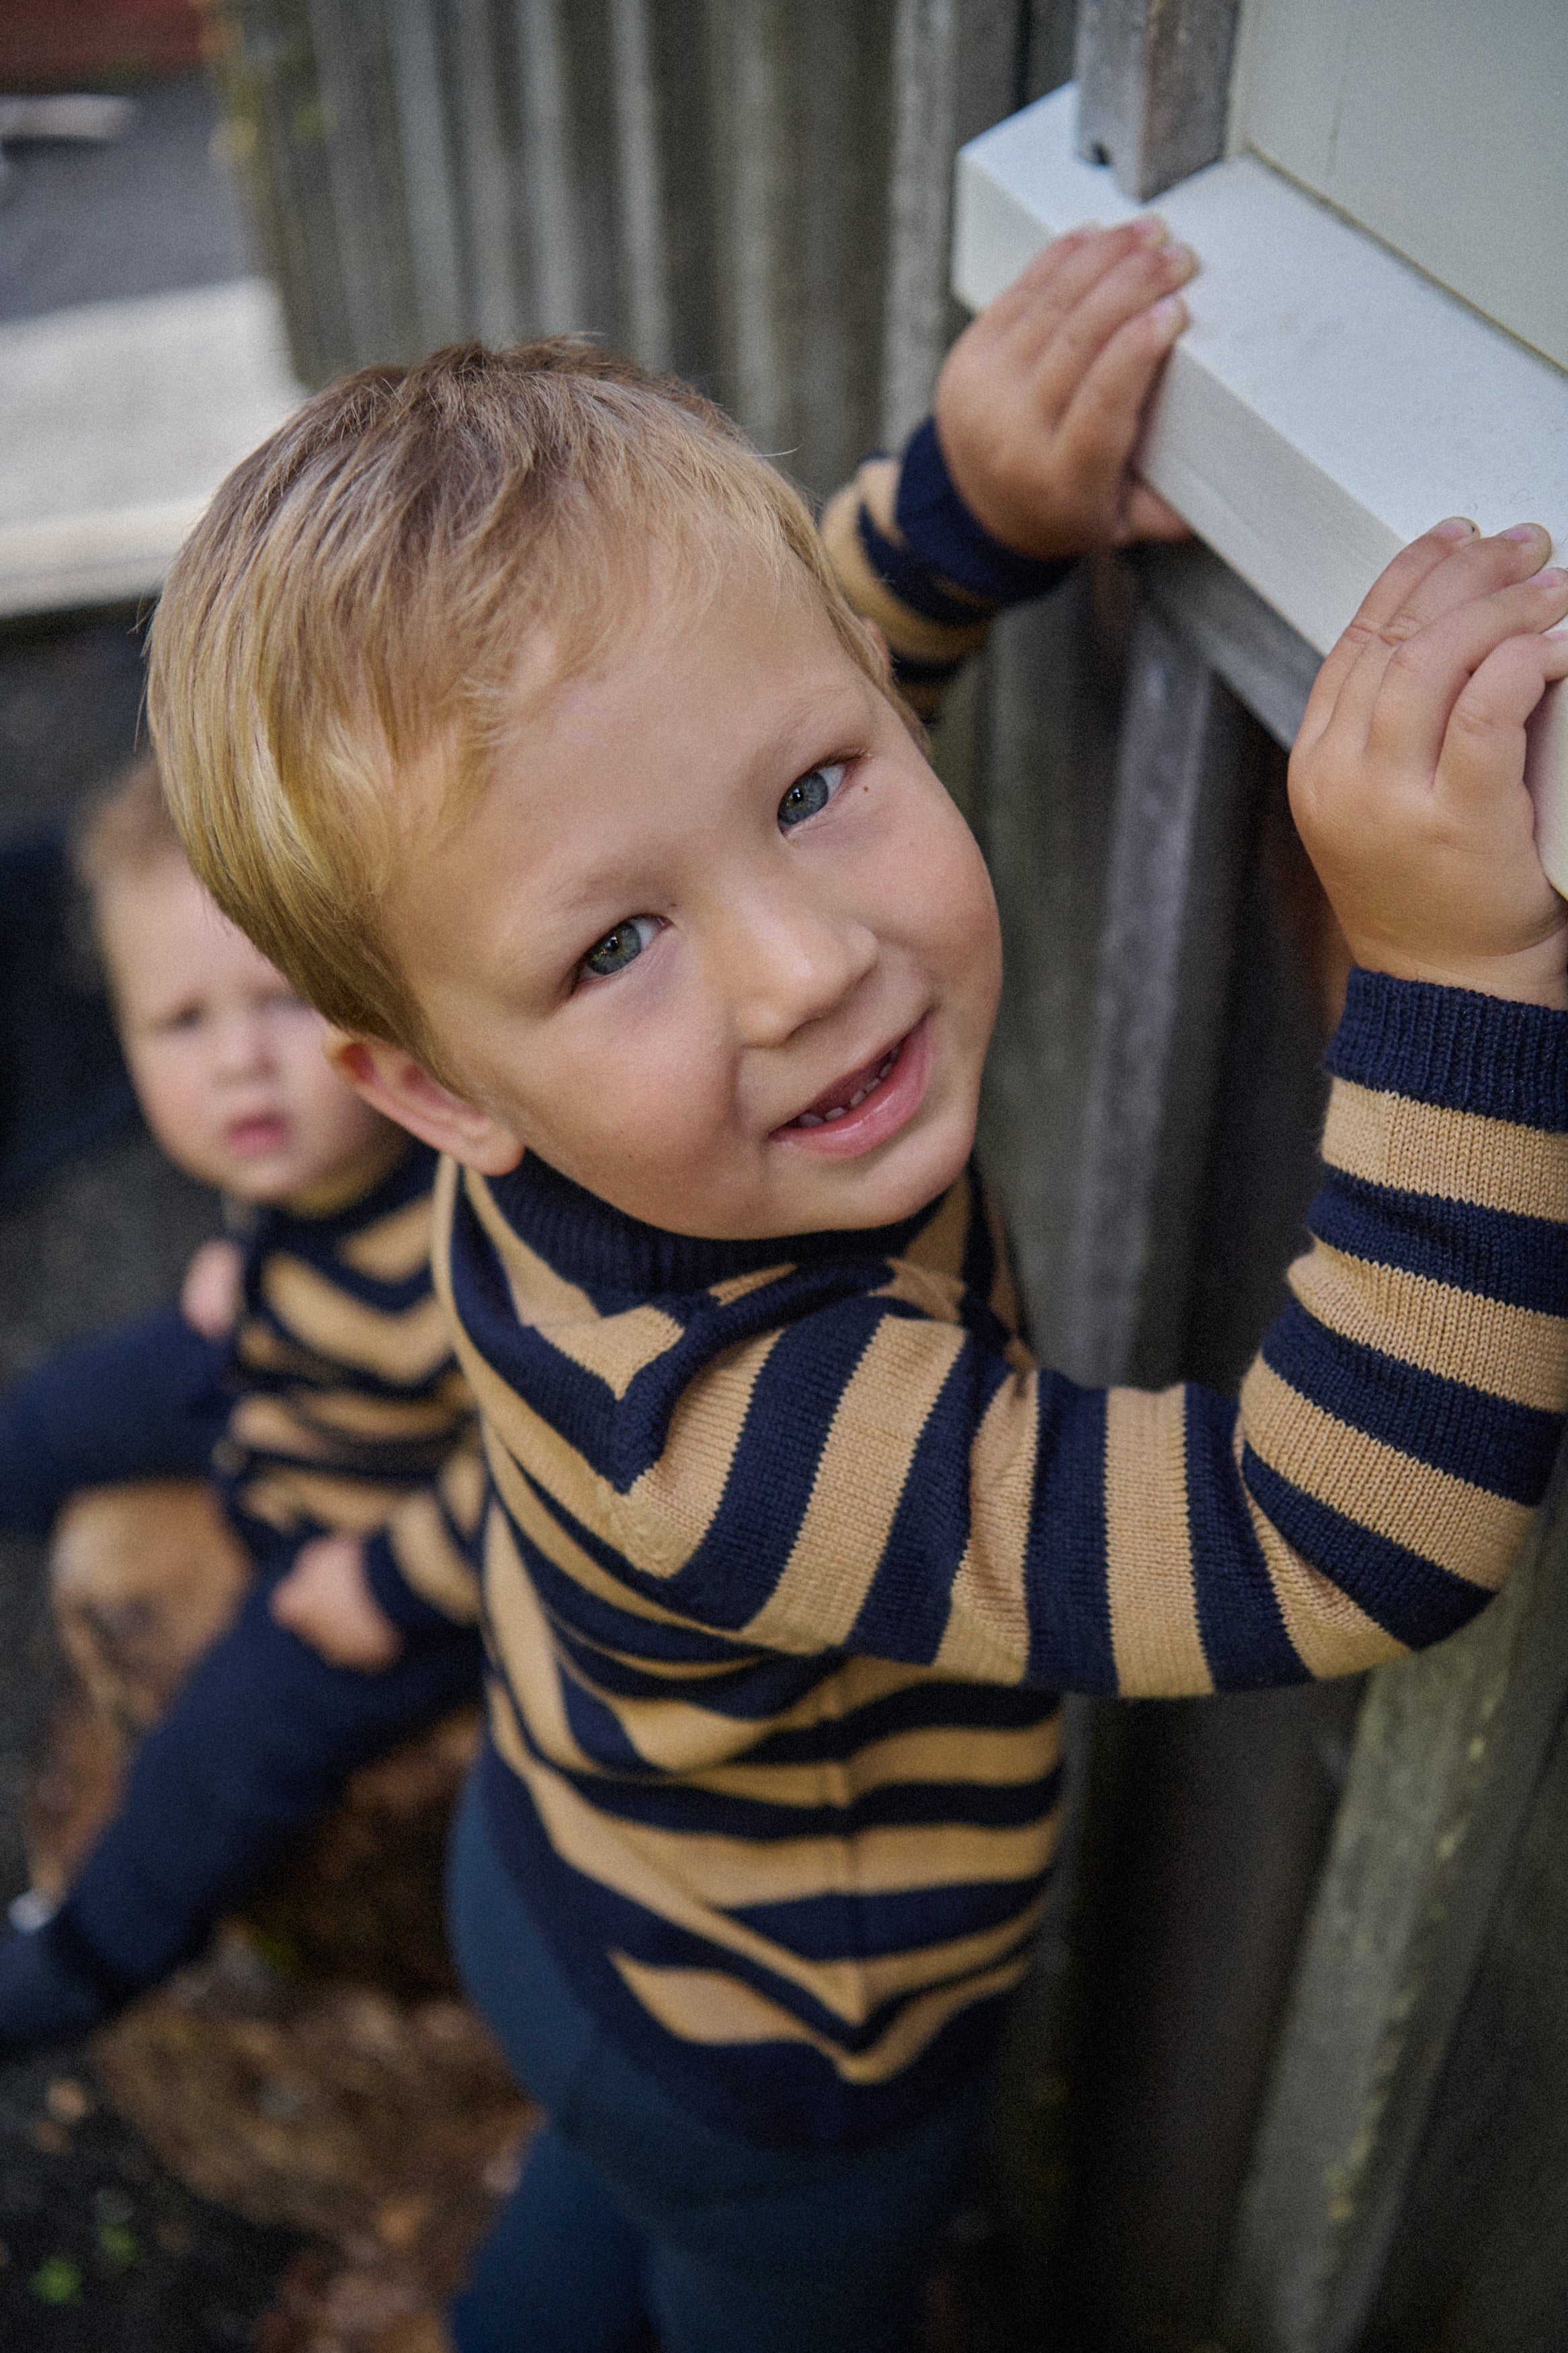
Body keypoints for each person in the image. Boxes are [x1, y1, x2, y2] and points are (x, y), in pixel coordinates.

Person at [145, 221, 1568, 2353]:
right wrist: (1449, 968)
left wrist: (961, 508)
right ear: (429, 1086)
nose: (804, 965)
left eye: (813, 793)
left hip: (566, 1887)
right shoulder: (733, 1424)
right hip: (778, 2070)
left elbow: (756, 671)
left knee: (572, 2266)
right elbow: (1334, 1533)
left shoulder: (536, 1088)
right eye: (616, 944)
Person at [0, 754, 485, 2050]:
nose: (238, 1069)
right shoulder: (306, 1152)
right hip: (280, 1363)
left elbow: (559, 1467)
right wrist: (250, 1254)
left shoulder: (471, 1232)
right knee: (59, 1413)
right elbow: (288, 1203)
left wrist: (387, 1583)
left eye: (281, 1002)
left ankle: (87, 1956)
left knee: (228, 1742)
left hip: (384, 1527)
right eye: (180, 1023)